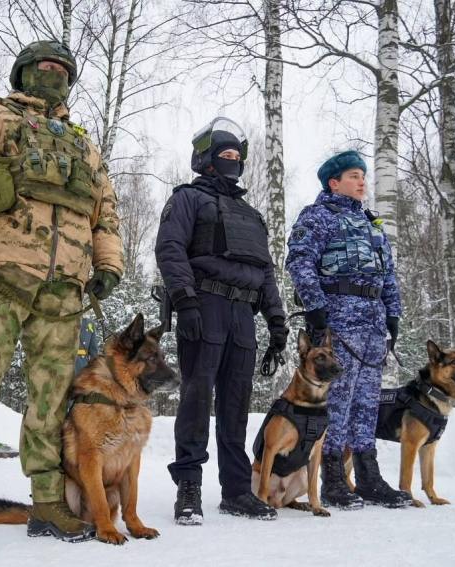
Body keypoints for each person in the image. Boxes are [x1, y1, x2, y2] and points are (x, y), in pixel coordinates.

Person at [0, 40, 123, 556]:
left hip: (63, 293)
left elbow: (105, 209)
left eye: (63, 70)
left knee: (52, 403)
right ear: (23, 72)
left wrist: (107, 265)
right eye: (46, 67)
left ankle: (47, 501)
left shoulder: (83, 143)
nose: (55, 75)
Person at [155, 118, 288, 525]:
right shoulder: (187, 199)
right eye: (224, 156)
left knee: (236, 404)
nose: (232, 162)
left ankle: (235, 491)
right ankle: (189, 490)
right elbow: (170, 248)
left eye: (236, 157)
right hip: (205, 306)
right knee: (197, 400)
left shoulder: (252, 214)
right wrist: (184, 300)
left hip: (243, 317)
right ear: (206, 161)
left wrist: (277, 322)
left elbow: (265, 270)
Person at [284, 150, 410, 509]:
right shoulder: (317, 216)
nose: (362, 182)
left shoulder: (372, 224)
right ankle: (334, 479)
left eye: (364, 176)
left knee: (367, 403)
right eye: (355, 176)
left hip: (372, 324)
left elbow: (387, 274)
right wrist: (316, 307)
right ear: (334, 182)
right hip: (338, 321)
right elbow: (299, 261)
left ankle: (369, 477)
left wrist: (393, 315)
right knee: (337, 402)